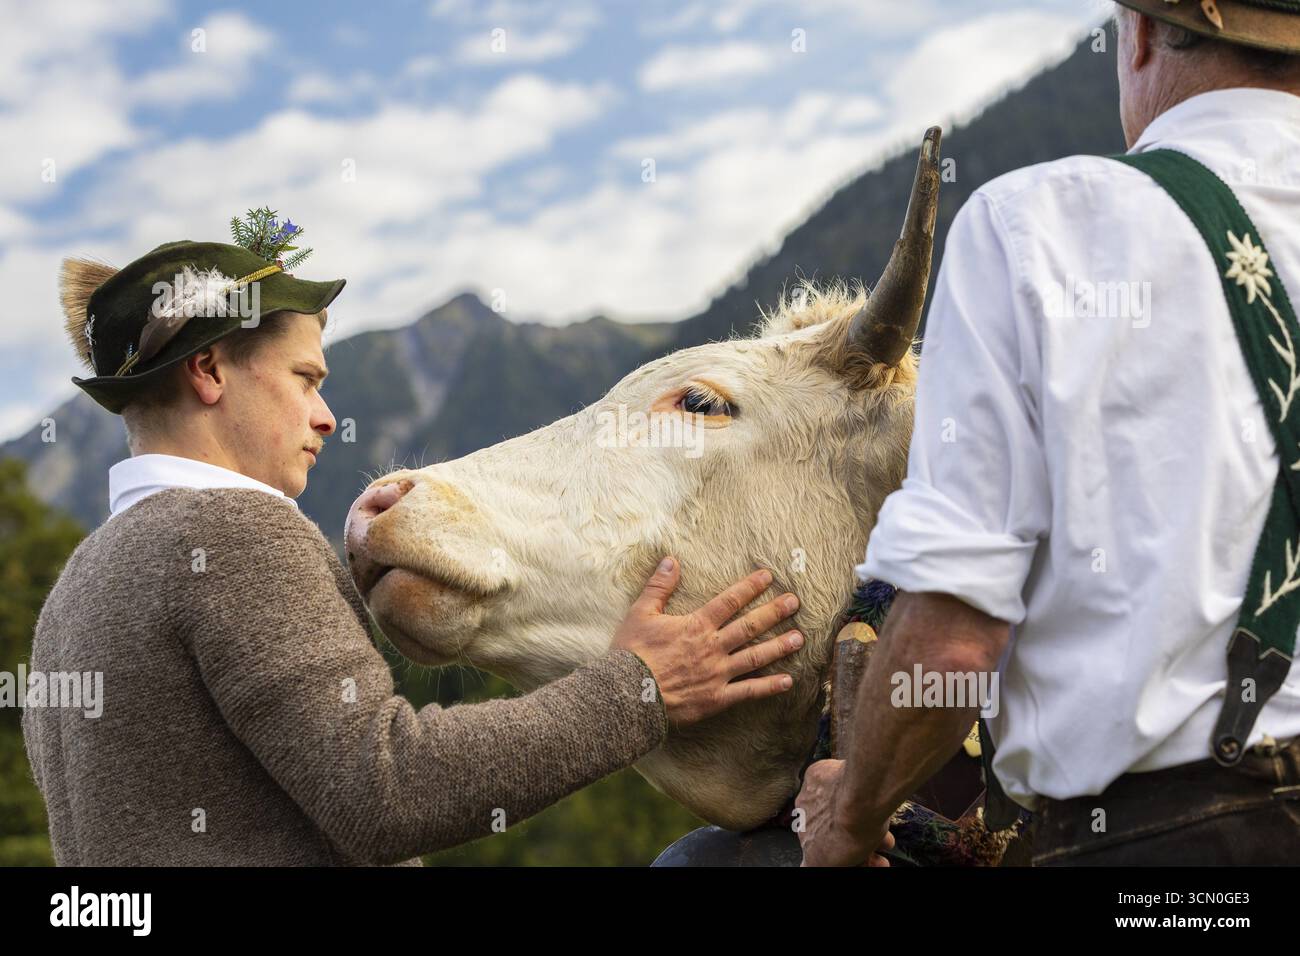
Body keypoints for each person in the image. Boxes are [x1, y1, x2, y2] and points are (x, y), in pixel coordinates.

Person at [22, 219, 804, 865]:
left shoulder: (74, 592)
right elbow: (389, 791)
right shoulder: (232, 530)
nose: (325, 416)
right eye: (304, 378)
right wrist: (641, 688)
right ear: (209, 372)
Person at [797, 0, 1300, 866]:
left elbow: (955, 639)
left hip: (1177, 853)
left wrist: (849, 818)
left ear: (1137, 34)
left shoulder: (1041, 227)